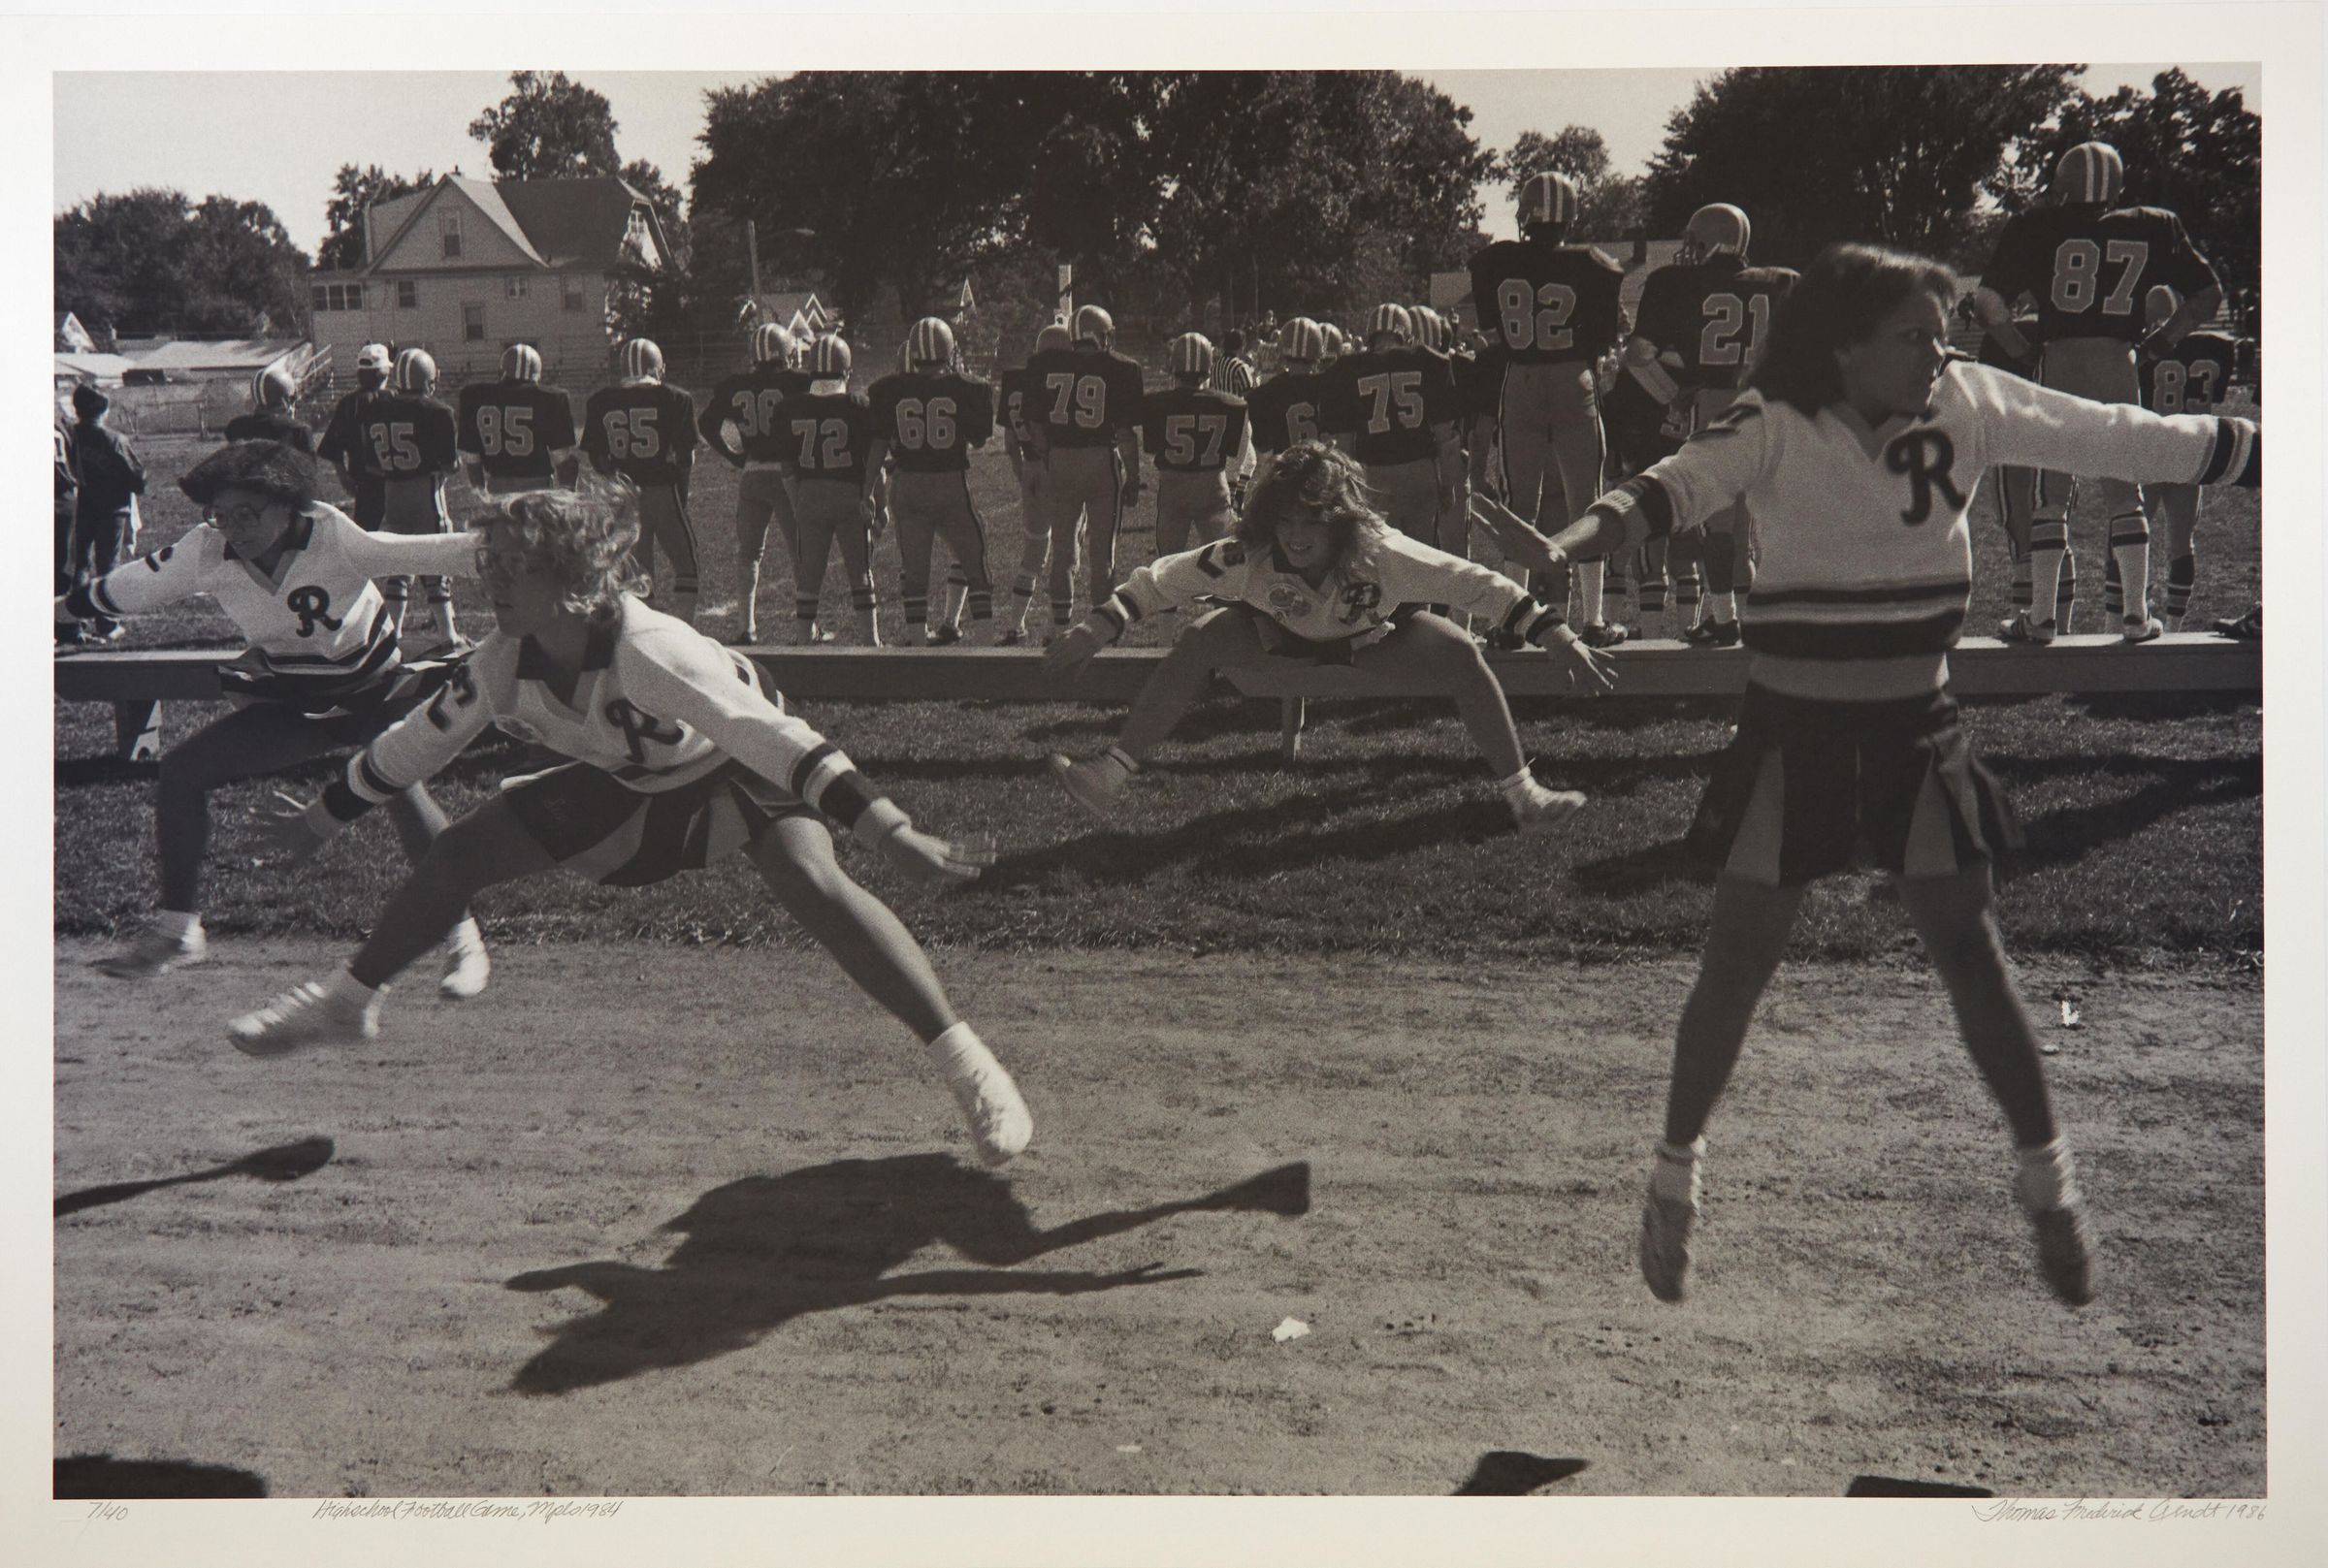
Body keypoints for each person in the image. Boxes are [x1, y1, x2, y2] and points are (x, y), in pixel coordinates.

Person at [1519, 241, 2260, 1310]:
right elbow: (1669, 487)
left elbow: (2121, 436)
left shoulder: (1970, 398)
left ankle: (2051, 1187)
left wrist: (2263, 449)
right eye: (1915, 336)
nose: (1937, 355)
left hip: (1917, 723)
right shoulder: (1774, 420)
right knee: (1736, 964)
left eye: (1942, 336)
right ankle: (1673, 1182)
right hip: (1794, 730)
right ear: (1843, 345)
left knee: (1972, 954)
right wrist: (1569, 543)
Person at [226, 483, 1031, 1170]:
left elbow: (770, 738)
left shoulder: (650, 649)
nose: (492, 580)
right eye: (489, 562)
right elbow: (419, 742)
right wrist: (323, 817)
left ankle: (972, 1069)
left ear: (572, 576)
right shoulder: (504, 658)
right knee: (460, 851)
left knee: (812, 882)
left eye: (515, 566)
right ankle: (347, 1002)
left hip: (733, 755)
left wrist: (888, 829)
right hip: (634, 773)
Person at [57, 438, 489, 993]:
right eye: (221, 513)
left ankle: (463, 939)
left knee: (397, 780)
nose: (233, 527)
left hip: (375, 693)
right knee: (183, 771)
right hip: (298, 700)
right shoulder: (206, 549)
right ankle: (178, 930)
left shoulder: (332, 536)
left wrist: (527, 544)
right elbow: (129, 587)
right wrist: (47, 612)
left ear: (289, 507)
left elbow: (433, 552)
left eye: (248, 513)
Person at [1042, 440, 1611, 832]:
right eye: (1285, 519)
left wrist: (1559, 638)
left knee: (1461, 652)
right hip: (1277, 639)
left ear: (1339, 520)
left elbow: (1477, 585)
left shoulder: (1383, 552)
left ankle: (1524, 796)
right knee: (1199, 638)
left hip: (1370, 640)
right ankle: (1110, 774)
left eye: (1311, 519)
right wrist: (1097, 627)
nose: (1295, 534)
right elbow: (1165, 578)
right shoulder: (1248, 553)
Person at [1973, 141, 2225, 644]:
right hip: (2119, 364)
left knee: (2052, 495)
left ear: (2062, 184)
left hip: (2060, 362)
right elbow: (2207, 294)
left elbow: (1987, 302)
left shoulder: (2035, 226)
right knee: (2125, 490)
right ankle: (2135, 614)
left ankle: (2041, 618)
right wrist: (2162, 341)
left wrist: (2020, 348)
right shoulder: (2154, 224)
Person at [1623, 204, 1799, 648]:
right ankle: (1763, 619)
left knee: (1718, 527)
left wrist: (1673, 393)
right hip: (1766, 406)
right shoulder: (1782, 281)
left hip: (1716, 405)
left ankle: (1724, 619)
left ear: (1708, 240)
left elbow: (1638, 354)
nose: (1688, 249)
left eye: (1693, 240)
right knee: (1749, 527)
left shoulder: (1677, 283)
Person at [1467, 171, 1628, 626]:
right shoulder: (1594, 263)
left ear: (1526, 214)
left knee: (1521, 505)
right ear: (1570, 217)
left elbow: (1493, 331)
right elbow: (1602, 339)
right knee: (1587, 502)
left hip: (1520, 379)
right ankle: (1593, 621)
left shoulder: (1495, 261)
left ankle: (1513, 622)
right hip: (1573, 378)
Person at [864, 317, 999, 645]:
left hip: (907, 486)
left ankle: (917, 644)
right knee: (974, 562)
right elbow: (979, 439)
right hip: (948, 485)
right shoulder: (969, 387)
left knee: (915, 570)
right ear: (949, 349)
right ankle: (985, 642)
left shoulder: (887, 389)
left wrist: (866, 490)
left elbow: (878, 445)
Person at [1321, 305, 1465, 587]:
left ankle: (1392, 615)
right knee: (1421, 563)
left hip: (1375, 478)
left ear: (1371, 336)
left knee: (1383, 567)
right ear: (1407, 336)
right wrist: (1448, 484)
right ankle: (1421, 612)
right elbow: (1445, 436)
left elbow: (1345, 447)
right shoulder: (1430, 362)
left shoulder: (1347, 369)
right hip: (1420, 473)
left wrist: (1348, 491)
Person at [1025, 305, 1146, 639]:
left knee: (1063, 552)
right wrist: (1134, 477)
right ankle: (1099, 632)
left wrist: (1049, 456)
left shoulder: (1044, 365)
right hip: (1099, 461)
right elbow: (1125, 434)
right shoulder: (1122, 368)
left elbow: (1034, 425)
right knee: (1102, 555)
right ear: (1102, 335)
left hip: (1060, 460)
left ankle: (1059, 628)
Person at [2135, 285, 2248, 630]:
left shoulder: (2141, 352)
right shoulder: (2214, 347)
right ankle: (2174, 625)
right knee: (2182, 542)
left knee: (2132, 534)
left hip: (2151, 449)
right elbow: (2215, 396)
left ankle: (2132, 611)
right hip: (2193, 450)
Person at [699, 324, 816, 645]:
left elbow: (706, 424)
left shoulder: (735, 385)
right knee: (800, 551)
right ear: (786, 352)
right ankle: (808, 628)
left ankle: (746, 626)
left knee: (749, 553)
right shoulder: (799, 382)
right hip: (787, 475)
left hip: (752, 473)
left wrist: (734, 455)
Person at [581, 337, 704, 627]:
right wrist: (681, 491)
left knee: (637, 572)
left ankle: (643, 632)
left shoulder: (601, 401)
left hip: (625, 496)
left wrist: (616, 484)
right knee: (687, 565)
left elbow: (597, 457)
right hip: (663, 491)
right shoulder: (676, 398)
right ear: (656, 367)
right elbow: (685, 457)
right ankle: (685, 630)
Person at [358, 348, 464, 655]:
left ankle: (394, 634)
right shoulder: (437, 411)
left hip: (392, 495)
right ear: (429, 380)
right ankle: (449, 636)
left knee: (400, 568)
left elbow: (372, 465)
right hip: (425, 496)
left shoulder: (376, 409)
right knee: (437, 564)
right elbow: (449, 465)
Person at [782, 336, 882, 644]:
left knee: (809, 573)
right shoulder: (859, 407)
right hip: (848, 494)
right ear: (846, 371)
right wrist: (875, 499)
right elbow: (874, 459)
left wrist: (797, 501)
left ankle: (803, 640)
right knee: (860, 571)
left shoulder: (791, 407)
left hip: (810, 493)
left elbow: (786, 466)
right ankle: (871, 641)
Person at [1140, 333, 1251, 559]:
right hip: (1212, 486)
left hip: (1173, 486)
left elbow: (1152, 448)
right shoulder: (1232, 404)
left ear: (1173, 367)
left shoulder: (1155, 403)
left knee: (1168, 561)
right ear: (1209, 369)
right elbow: (1235, 452)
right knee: (1222, 562)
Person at [996, 322, 1073, 645]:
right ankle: (1056, 629)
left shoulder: (1015, 379)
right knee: (1067, 554)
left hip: (1030, 467)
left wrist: (1023, 473)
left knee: (1034, 550)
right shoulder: (1061, 379)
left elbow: (1009, 442)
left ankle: (1016, 624)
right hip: (1060, 466)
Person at [63, 384, 147, 644]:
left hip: (80, 507)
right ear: (104, 409)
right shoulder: (113, 439)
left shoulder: (69, 436)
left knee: (78, 565)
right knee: (108, 566)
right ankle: (107, 623)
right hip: (111, 509)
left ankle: (72, 623)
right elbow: (138, 479)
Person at [457, 342, 578, 501]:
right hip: (537, 487)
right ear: (536, 374)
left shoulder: (475, 396)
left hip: (498, 487)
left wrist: (481, 494)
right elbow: (561, 457)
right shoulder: (551, 399)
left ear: (502, 371)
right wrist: (567, 496)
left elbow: (472, 458)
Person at [317, 342, 394, 532]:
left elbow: (332, 447)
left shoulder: (350, 403)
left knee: (366, 536)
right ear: (384, 372)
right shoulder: (396, 399)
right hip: (397, 478)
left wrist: (343, 476)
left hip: (364, 482)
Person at [224, 365, 316, 454]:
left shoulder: (236, 427)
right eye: (293, 398)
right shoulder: (299, 431)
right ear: (285, 400)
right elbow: (310, 464)